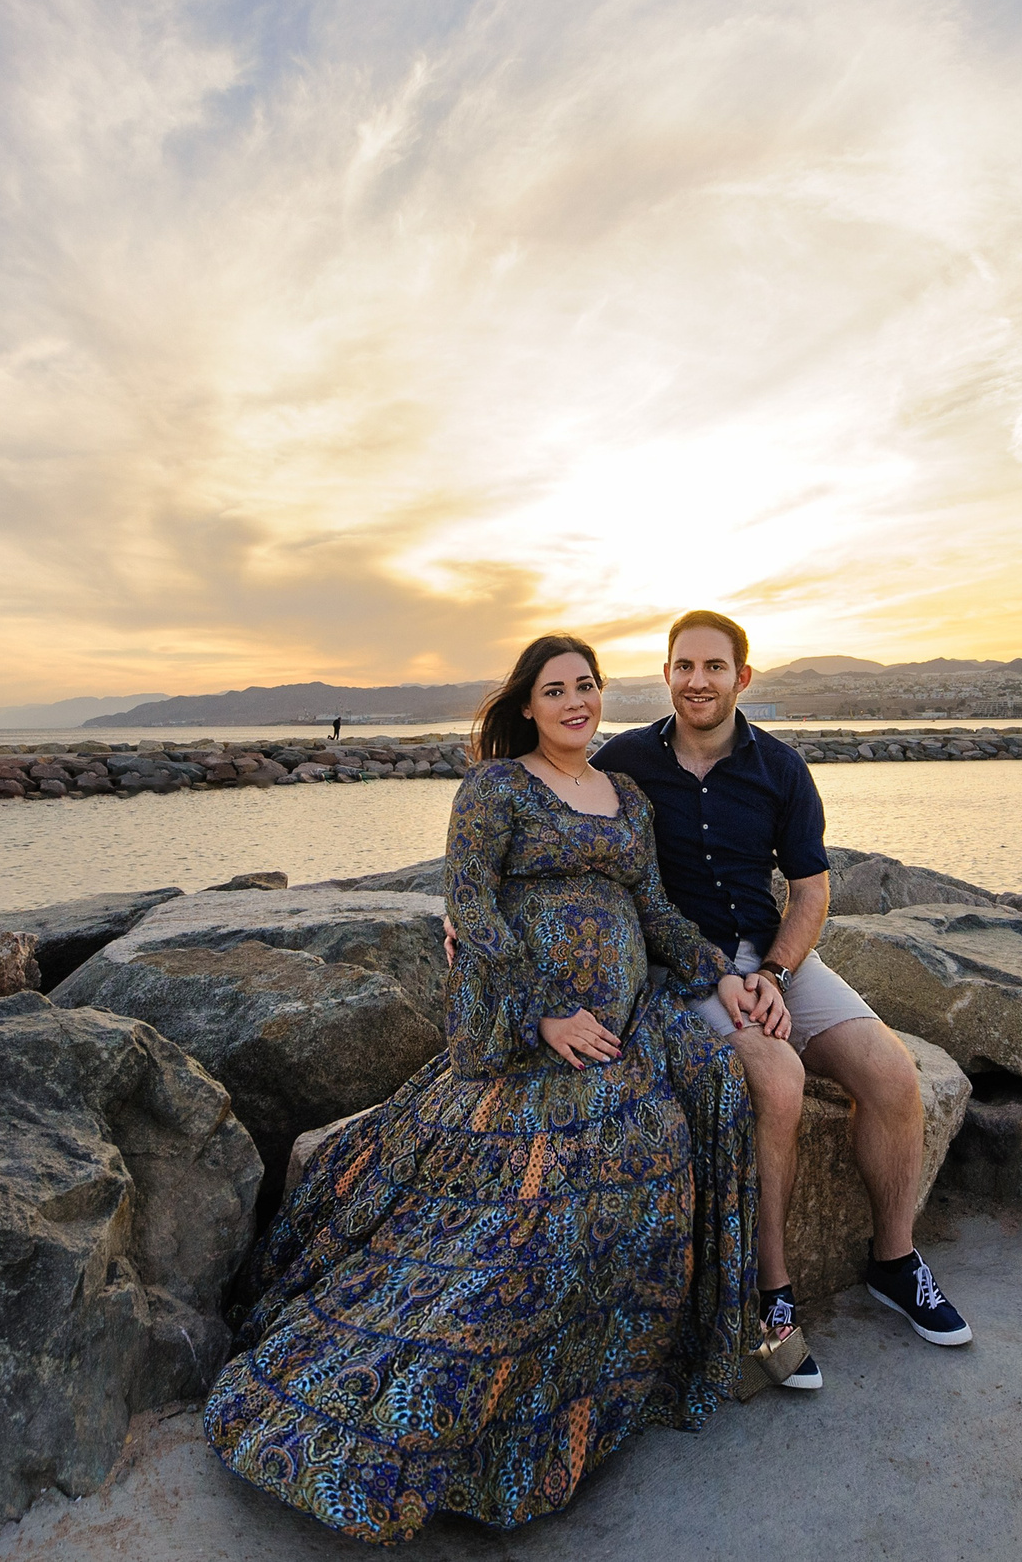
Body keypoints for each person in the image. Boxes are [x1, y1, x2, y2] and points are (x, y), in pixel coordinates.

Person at [205, 633, 763, 1544]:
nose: (576, 701)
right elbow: (471, 908)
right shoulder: (495, 788)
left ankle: (626, 1379)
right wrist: (544, 1015)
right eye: (557, 689)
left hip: (626, 1023)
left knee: (689, 1120)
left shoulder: (627, 795)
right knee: (547, 1203)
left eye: (587, 685)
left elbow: (655, 908)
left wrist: (719, 975)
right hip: (530, 1034)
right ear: (528, 704)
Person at [593, 610, 971, 1393]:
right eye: (684, 665)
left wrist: (774, 972)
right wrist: (470, 910)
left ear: (742, 677)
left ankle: (894, 1261)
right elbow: (554, 814)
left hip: (775, 958)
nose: (697, 680)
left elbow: (811, 892)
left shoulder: (782, 768)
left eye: (714, 667)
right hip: (687, 971)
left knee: (891, 1074)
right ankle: (773, 1293)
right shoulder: (624, 761)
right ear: (666, 674)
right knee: (780, 1079)